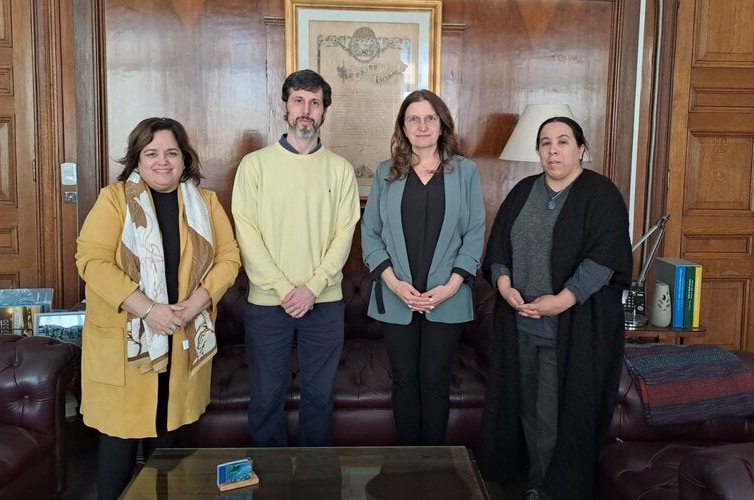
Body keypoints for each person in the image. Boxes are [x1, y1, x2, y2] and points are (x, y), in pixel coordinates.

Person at [76, 117, 241, 499]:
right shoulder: (114, 199)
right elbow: (91, 260)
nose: (162, 161)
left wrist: (196, 303)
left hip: (181, 338)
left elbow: (229, 258)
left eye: (171, 152)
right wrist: (149, 309)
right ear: (137, 158)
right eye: (151, 153)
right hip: (128, 347)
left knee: (167, 450)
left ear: (185, 159)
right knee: (118, 445)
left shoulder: (206, 203)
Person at [477, 116, 633, 500]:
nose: (553, 150)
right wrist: (504, 286)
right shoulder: (523, 191)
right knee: (526, 407)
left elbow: (604, 258)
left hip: (569, 324)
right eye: (545, 143)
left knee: (553, 411)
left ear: (581, 149)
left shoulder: (599, 193)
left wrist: (561, 301)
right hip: (519, 319)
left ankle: (549, 489)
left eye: (563, 141)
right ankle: (532, 480)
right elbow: (499, 246)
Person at [232, 69, 360, 447]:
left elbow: (344, 235)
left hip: (324, 305)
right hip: (268, 305)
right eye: (299, 101)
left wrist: (313, 288)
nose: (307, 109)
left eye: (315, 102)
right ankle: (270, 483)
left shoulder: (340, 169)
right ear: (284, 107)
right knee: (266, 401)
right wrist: (287, 288)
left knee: (319, 401)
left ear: (324, 112)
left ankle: (314, 481)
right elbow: (247, 233)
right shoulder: (254, 166)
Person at [361, 89, 485, 445]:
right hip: (396, 296)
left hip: (447, 297)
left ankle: (434, 464)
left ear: (442, 123)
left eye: (430, 117)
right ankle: (408, 464)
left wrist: (451, 286)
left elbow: (475, 232)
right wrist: (395, 284)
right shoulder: (387, 172)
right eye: (413, 118)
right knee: (404, 379)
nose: (422, 125)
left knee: (434, 380)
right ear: (403, 126)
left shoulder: (465, 171)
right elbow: (370, 234)